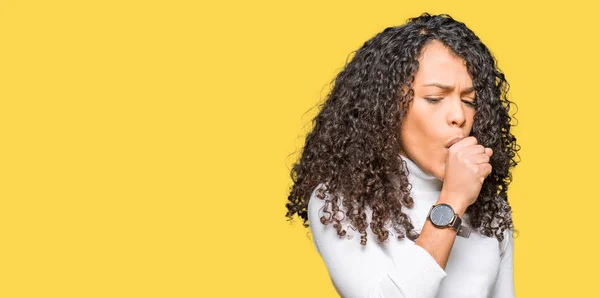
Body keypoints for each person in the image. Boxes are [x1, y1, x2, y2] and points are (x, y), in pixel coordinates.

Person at [285, 13, 520, 298]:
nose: (459, 116)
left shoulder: (491, 211)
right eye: (435, 98)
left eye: (469, 101)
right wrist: (452, 201)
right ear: (388, 107)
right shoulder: (339, 203)